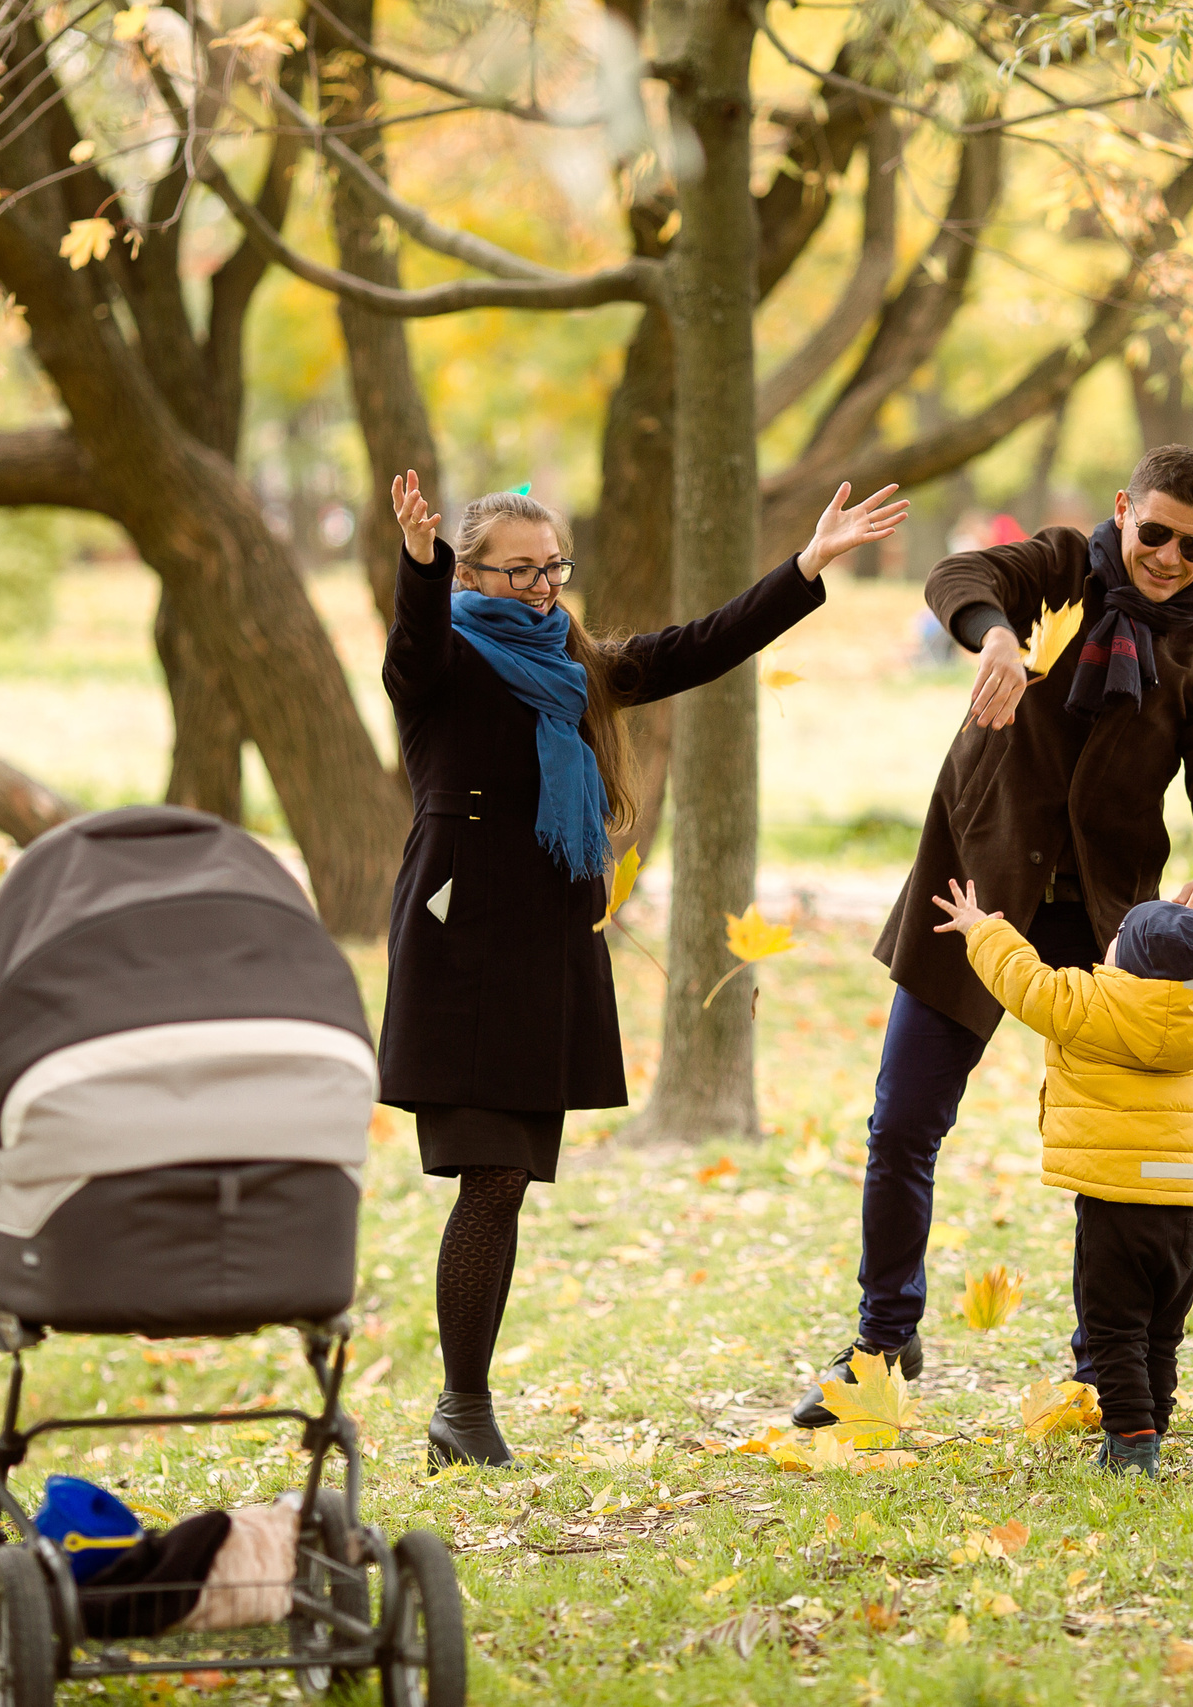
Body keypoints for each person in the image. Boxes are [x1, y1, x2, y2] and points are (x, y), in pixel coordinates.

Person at [383, 471, 907, 1470]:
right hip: (458, 947)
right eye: (520, 570)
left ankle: (464, 1408)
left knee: (508, 1180)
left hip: (543, 946)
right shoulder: (444, 658)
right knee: (487, 1175)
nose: (543, 588)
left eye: (554, 568)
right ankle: (463, 1406)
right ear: (472, 571)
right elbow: (411, 646)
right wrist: (418, 566)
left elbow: (696, 647)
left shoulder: (575, 664)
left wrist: (805, 566)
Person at [794, 443, 1193, 1426]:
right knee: (903, 1122)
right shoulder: (1057, 572)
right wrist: (996, 639)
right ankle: (884, 1340)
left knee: (1116, 1150)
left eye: (1192, 545)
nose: (1169, 557)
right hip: (979, 890)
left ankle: (1106, 1361)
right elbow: (956, 576)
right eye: (1153, 534)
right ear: (1123, 508)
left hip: (1108, 918)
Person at [931, 879, 1193, 1476]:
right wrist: (1187, 931)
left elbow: (1025, 982)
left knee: (1113, 1331)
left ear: (1131, 965)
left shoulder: (1090, 1003)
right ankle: (1148, 1428)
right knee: (1161, 1333)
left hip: (1116, 1206)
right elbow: (1189, 968)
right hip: (1184, 1210)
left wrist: (980, 928)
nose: (1107, 945)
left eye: (1118, 938)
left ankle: (1130, 1442)